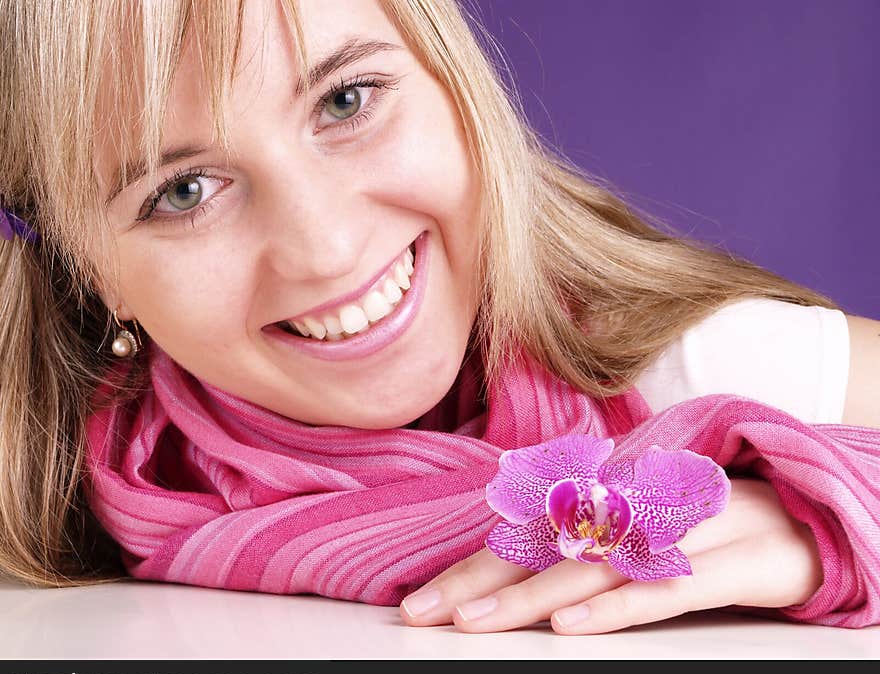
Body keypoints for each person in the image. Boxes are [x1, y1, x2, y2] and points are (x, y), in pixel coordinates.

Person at [0, 0, 877, 636]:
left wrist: (826, 517)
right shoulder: (49, 478)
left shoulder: (695, 370)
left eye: (345, 101)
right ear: (86, 265)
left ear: (455, 82)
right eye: (182, 192)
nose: (327, 249)